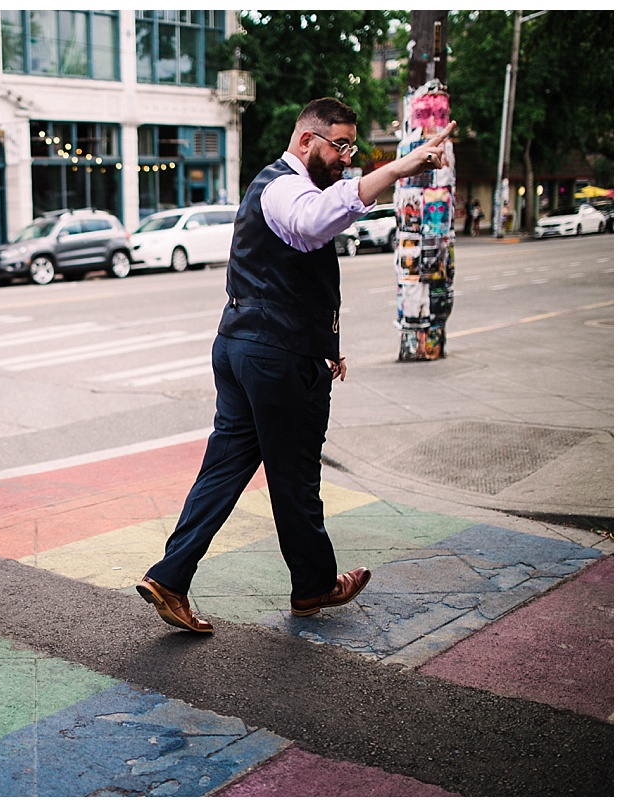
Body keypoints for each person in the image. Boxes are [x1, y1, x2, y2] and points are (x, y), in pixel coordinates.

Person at [137, 98, 456, 631]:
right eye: (341, 145)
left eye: (353, 147)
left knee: (225, 470)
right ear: (307, 140)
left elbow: (297, 267)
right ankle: (312, 587)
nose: (347, 158)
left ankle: (170, 576)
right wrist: (398, 168)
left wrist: (325, 343)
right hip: (275, 358)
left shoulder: (283, 185)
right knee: (296, 477)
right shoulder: (283, 186)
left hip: (247, 346)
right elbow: (312, 225)